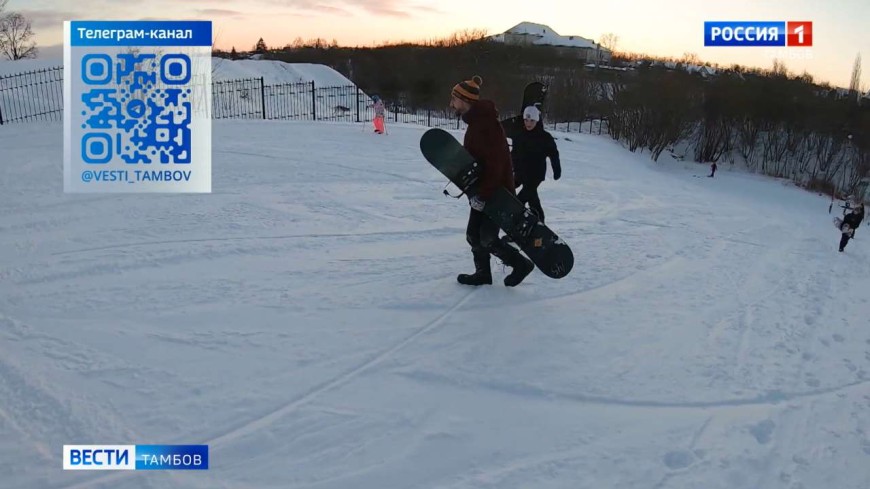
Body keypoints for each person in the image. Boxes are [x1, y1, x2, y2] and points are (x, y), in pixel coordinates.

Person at [448, 75, 535, 287]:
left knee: (487, 237)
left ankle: (521, 264)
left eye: (454, 99)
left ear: (465, 100)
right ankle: (483, 274)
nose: (451, 104)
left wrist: (484, 195)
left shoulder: (486, 126)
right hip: (482, 190)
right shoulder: (477, 123)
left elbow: (496, 165)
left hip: (497, 193)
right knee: (473, 235)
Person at [509, 105, 561, 224]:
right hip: (520, 173)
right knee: (530, 198)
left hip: (535, 175)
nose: (528, 123)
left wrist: (556, 169)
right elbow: (514, 154)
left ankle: (514, 220)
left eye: (531, 120)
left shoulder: (544, 137)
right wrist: (509, 168)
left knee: (520, 199)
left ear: (537, 120)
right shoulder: (519, 135)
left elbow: (554, 153)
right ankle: (539, 221)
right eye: (526, 120)